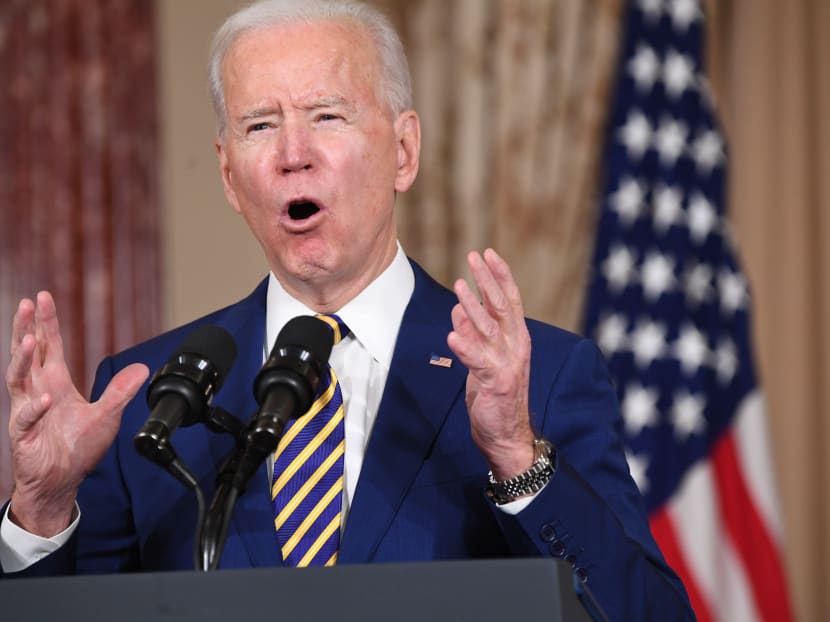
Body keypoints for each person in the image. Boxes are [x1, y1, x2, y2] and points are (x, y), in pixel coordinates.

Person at [0, 0, 694, 619]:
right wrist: (41, 509)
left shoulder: (537, 376)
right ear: (228, 175)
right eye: (260, 126)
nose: (293, 155)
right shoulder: (152, 398)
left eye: (327, 116)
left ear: (403, 150)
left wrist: (516, 455)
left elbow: (649, 614)